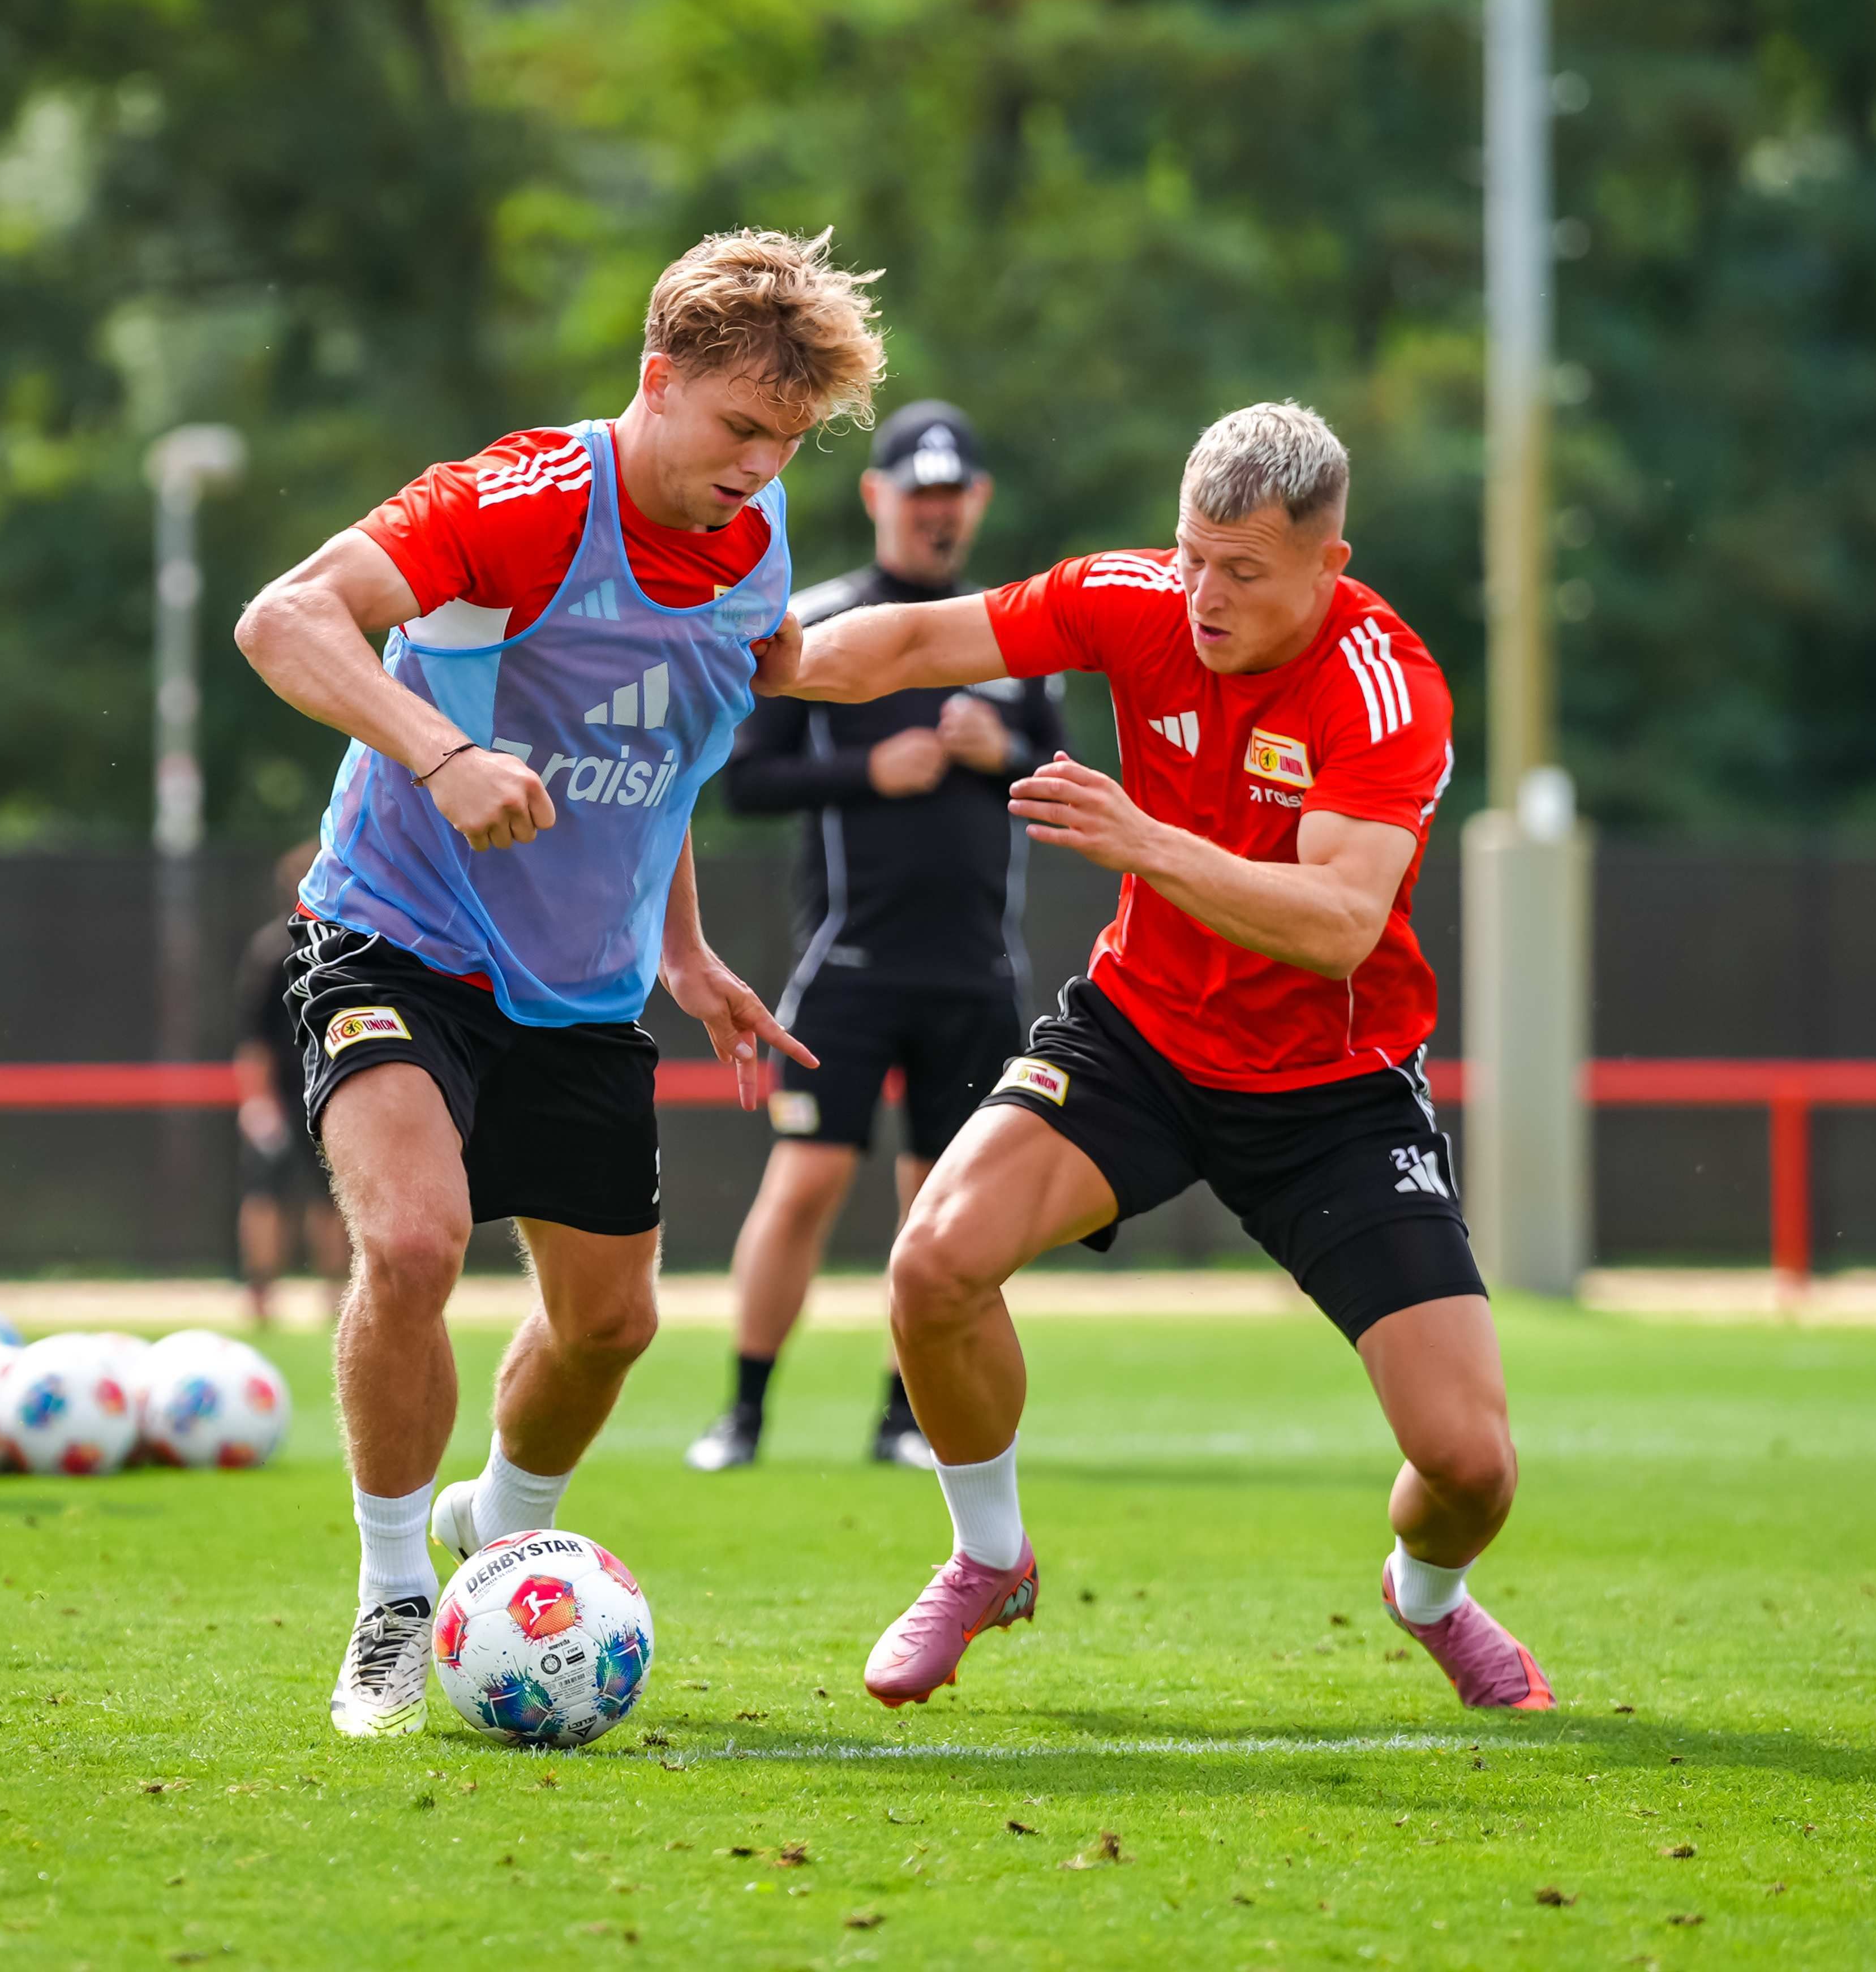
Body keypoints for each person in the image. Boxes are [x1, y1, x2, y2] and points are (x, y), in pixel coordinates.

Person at [760, 399, 1554, 1712]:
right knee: (933, 1264)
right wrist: (757, 660)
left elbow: (1341, 925)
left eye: (1242, 569)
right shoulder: (1132, 597)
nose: (1202, 592)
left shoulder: (1384, 684)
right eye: (1191, 553)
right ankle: (987, 1556)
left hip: (1331, 1091)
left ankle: (1429, 1594)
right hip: (1142, 1037)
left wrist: (1147, 844)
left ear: (1328, 564)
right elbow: (903, 640)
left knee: (1471, 1466)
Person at [234, 226, 884, 1738]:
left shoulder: (760, 541)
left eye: (786, 441)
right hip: (396, 929)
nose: (758, 464)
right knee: (412, 1244)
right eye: (737, 427)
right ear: (657, 381)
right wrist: (442, 754)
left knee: (611, 1328)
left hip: (585, 986)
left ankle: (497, 1528)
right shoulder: (520, 497)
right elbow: (285, 621)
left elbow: (658, 764)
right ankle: (396, 1596)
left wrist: (686, 952)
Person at [685, 399, 1061, 1474]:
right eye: (917, 495)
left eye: (954, 497)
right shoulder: (820, 621)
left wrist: (1000, 751)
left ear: (977, 502)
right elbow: (743, 777)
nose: (936, 516)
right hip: (850, 964)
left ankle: (908, 1419)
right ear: (876, 497)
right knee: (806, 1181)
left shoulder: (1014, 634)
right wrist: (867, 771)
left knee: (943, 1208)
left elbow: (1065, 777)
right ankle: (745, 1413)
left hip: (977, 972)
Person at [231, 838, 347, 1326]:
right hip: (297, 1094)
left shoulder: (336, 946)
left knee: (333, 1200)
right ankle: (265, 1297)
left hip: (328, 1091)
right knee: (273, 1198)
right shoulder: (279, 951)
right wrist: (257, 1105)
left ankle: (338, 1300)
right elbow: (254, 1040)